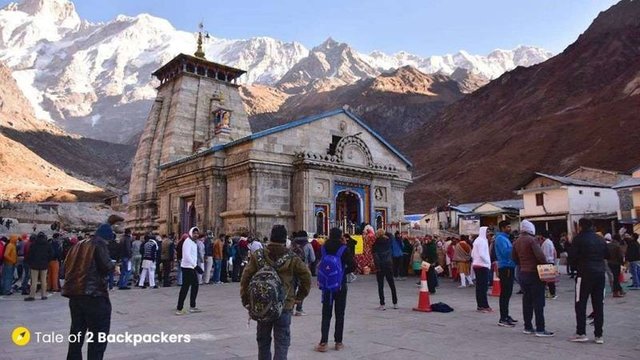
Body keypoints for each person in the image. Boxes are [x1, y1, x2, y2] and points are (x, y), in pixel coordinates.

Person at [241, 225, 311, 360]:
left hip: (262, 304)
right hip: (284, 305)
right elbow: (306, 277)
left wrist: (246, 300)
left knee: (263, 341)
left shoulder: (258, 255)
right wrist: (299, 297)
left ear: (271, 236)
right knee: (282, 342)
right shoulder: (292, 257)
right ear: (285, 239)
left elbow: (245, 278)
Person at [63, 216, 121, 360]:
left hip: (75, 295)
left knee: (76, 333)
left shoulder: (78, 244)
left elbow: (67, 266)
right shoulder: (99, 243)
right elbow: (105, 265)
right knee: (98, 335)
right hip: (94, 295)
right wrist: (115, 268)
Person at [314, 228, 355, 352]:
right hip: (340, 284)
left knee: (326, 314)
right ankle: (338, 342)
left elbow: (319, 263)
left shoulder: (323, 248)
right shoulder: (344, 248)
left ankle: (323, 343)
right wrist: (342, 272)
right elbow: (353, 266)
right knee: (340, 314)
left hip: (327, 285)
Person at [569, 218, 609, 344]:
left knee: (580, 303)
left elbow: (572, 258)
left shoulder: (578, 239)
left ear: (580, 226)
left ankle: (581, 332)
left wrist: (576, 266)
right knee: (598, 304)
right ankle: (599, 335)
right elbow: (607, 255)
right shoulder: (600, 239)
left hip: (584, 273)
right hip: (600, 273)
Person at [512, 220, 553, 337]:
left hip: (523, 273)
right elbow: (541, 257)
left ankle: (528, 327)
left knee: (527, 301)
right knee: (538, 302)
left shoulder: (516, 241)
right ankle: (540, 328)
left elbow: (514, 258)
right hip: (534, 274)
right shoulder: (532, 240)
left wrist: (522, 264)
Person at [495, 221, 517, 327]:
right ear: (503, 228)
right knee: (505, 293)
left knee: (508, 293)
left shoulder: (506, 238)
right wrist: (514, 247)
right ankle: (503, 318)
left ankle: (506, 315)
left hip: (510, 266)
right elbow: (506, 252)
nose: (510, 228)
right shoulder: (500, 239)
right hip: (505, 267)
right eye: (508, 227)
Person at [176, 228, 201, 315]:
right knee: (186, 287)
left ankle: (191, 306)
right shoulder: (187, 242)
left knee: (193, 285)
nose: (196, 235)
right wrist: (196, 266)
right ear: (191, 233)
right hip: (187, 267)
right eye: (194, 233)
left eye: (197, 233)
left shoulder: (193, 243)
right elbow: (186, 255)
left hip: (191, 266)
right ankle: (180, 308)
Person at [291, 231, 315, 316]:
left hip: (292, 269)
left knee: (292, 289)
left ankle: (290, 309)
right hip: (303, 270)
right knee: (302, 289)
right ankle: (299, 309)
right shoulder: (308, 245)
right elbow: (313, 258)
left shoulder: (292, 244)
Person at [372, 229, 398, 310]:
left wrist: (377, 267)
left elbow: (375, 257)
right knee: (392, 284)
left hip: (380, 266)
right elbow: (391, 235)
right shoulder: (388, 241)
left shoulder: (375, 244)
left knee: (380, 286)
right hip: (388, 264)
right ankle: (395, 303)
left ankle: (382, 304)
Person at [25, 232, 52, 301]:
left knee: (34, 281)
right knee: (43, 280)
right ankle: (44, 295)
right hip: (44, 265)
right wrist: (47, 261)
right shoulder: (47, 244)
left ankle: (32, 295)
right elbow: (51, 254)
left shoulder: (33, 244)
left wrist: (30, 262)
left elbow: (30, 254)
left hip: (34, 265)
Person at [471, 227, 492, 312]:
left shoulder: (477, 240)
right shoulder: (482, 241)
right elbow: (482, 254)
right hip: (483, 265)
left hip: (476, 264)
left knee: (479, 287)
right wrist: (488, 263)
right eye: (487, 232)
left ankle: (480, 305)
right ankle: (485, 305)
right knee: (483, 287)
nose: (488, 234)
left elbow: (472, 254)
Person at [540, 232, 558, 299]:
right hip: (550, 261)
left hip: (547, 262)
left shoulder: (546, 243)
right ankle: (551, 293)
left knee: (550, 281)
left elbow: (546, 254)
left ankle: (552, 294)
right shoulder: (549, 242)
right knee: (549, 280)